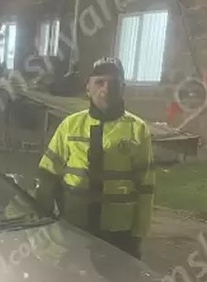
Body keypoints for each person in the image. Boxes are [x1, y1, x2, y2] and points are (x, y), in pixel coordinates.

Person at [35, 57, 155, 259]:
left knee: (117, 278)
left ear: (123, 89)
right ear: (88, 88)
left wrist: (138, 233)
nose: (106, 89)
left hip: (118, 232)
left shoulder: (137, 129)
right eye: (99, 82)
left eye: (114, 83)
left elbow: (146, 187)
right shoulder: (70, 125)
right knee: (73, 275)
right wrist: (42, 220)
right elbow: (47, 175)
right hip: (74, 225)